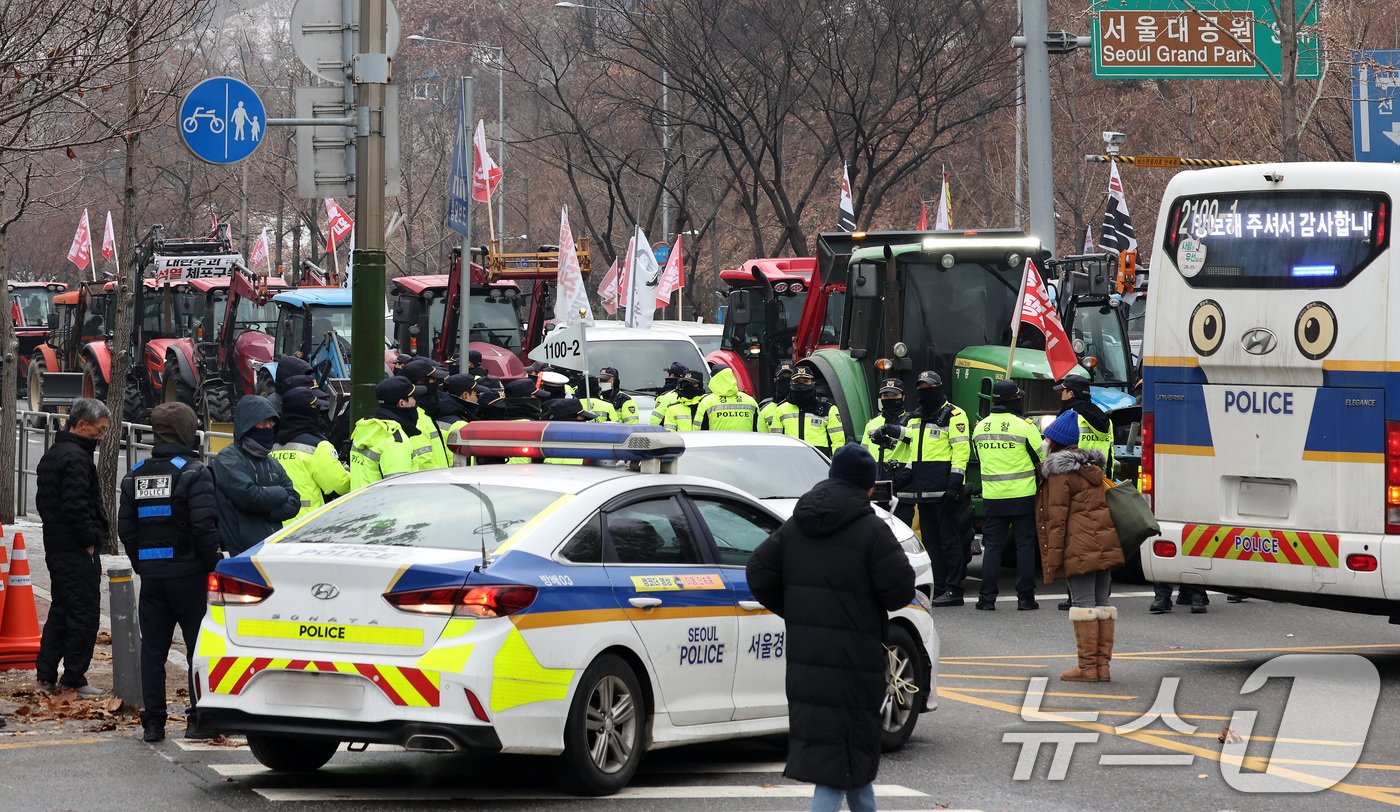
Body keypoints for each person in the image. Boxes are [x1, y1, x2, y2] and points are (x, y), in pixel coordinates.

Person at [747, 445, 914, 812]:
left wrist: (798, 611)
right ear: (869, 486)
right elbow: (900, 590)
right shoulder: (872, 528)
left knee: (844, 762)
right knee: (840, 766)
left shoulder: (798, 522)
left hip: (807, 661)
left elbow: (758, 571)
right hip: (854, 661)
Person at [117, 402, 222, 741]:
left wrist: (142, 563)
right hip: (190, 576)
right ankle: (196, 720)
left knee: (153, 650)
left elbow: (126, 528)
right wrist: (213, 564)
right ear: (187, 431)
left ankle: (153, 723)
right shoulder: (194, 472)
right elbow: (204, 526)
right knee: (198, 649)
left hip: (153, 578)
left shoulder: (136, 475)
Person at [1036, 411, 1124, 682]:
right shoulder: (1091, 470)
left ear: (1056, 442)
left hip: (1080, 546)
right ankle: (1102, 667)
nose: (1044, 442)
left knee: (1083, 605)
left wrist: (1054, 558)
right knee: (1102, 604)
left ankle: (1087, 668)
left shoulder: (1060, 474)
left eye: (1047, 438)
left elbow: (1056, 520)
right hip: (1105, 543)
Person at [35, 397, 112, 697]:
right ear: (82, 425)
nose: (103, 436)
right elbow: (77, 507)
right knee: (83, 614)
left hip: (56, 546)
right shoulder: (77, 459)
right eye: (100, 430)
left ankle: (46, 675)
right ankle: (73, 678)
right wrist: (90, 540)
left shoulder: (55, 453)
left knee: (62, 611)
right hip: (76, 550)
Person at [889, 372, 971, 607]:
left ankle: (955, 590)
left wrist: (955, 484)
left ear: (939, 387)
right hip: (922, 492)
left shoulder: (954, 415)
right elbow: (913, 453)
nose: (924, 390)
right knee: (932, 544)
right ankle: (942, 586)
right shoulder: (915, 418)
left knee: (949, 541)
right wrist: (903, 478)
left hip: (945, 491)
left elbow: (960, 452)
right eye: (921, 386)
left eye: (929, 386)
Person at [971, 380, 1043, 611]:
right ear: (1015, 399)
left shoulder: (980, 427)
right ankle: (1025, 598)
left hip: (993, 496)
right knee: (1024, 546)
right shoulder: (1025, 426)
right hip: (1022, 495)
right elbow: (1041, 460)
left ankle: (987, 598)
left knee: (992, 547)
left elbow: (980, 459)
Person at [1053, 374, 1116, 611]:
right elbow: (1109, 454)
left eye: (1063, 390)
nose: (1061, 394)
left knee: (1077, 542)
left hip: (1075, 486)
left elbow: (1055, 452)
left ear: (1071, 393)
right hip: (1101, 482)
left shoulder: (1068, 416)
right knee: (1100, 538)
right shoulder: (1105, 419)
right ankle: (1102, 593)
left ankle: (1076, 596)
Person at [211, 396, 302, 556]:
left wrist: (267, 512)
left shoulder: (272, 462)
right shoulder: (227, 459)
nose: (268, 427)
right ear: (247, 424)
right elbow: (248, 495)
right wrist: (280, 492)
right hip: (241, 553)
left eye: (271, 422)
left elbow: (294, 502)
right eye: (263, 422)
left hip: (272, 550)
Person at [349, 376, 449, 488]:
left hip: (360, 503)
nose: (415, 401)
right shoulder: (395, 441)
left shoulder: (365, 429)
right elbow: (399, 491)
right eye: (412, 397)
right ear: (402, 403)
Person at [269, 387, 350, 524]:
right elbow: (340, 485)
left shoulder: (270, 443)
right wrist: (348, 470)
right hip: (308, 526)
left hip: (276, 526)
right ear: (307, 412)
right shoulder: (317, 446)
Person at [769, 364, 844, 452]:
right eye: (796, 381)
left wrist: (835, 464)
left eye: (805, 381)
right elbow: (776, 442)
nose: (801, 385)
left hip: (819, 463)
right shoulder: (780, 410)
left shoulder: (828, 409)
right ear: (791, 383)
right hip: (790, 462)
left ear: (812, 383)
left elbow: (838, 442)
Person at [862, 378, 910, 481]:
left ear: (903, 397)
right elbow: (863, 456)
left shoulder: (912, 422)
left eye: (894, 395)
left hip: (901, 480)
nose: (889, 399)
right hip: (875, 481)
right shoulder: (871, 424)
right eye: (886, 396)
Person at [696, 366, 759, 431]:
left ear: (714, 379)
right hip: (746, 441)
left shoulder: (707, 402)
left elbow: (698, 431)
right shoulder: (750, 401)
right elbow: (759, 429)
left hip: (716, 441)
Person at [758, 362, 794, 433]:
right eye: (782, 378)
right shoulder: (764, 409)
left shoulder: (802, 407)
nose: (786, 381)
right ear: (775, 380)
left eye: (790, 378)